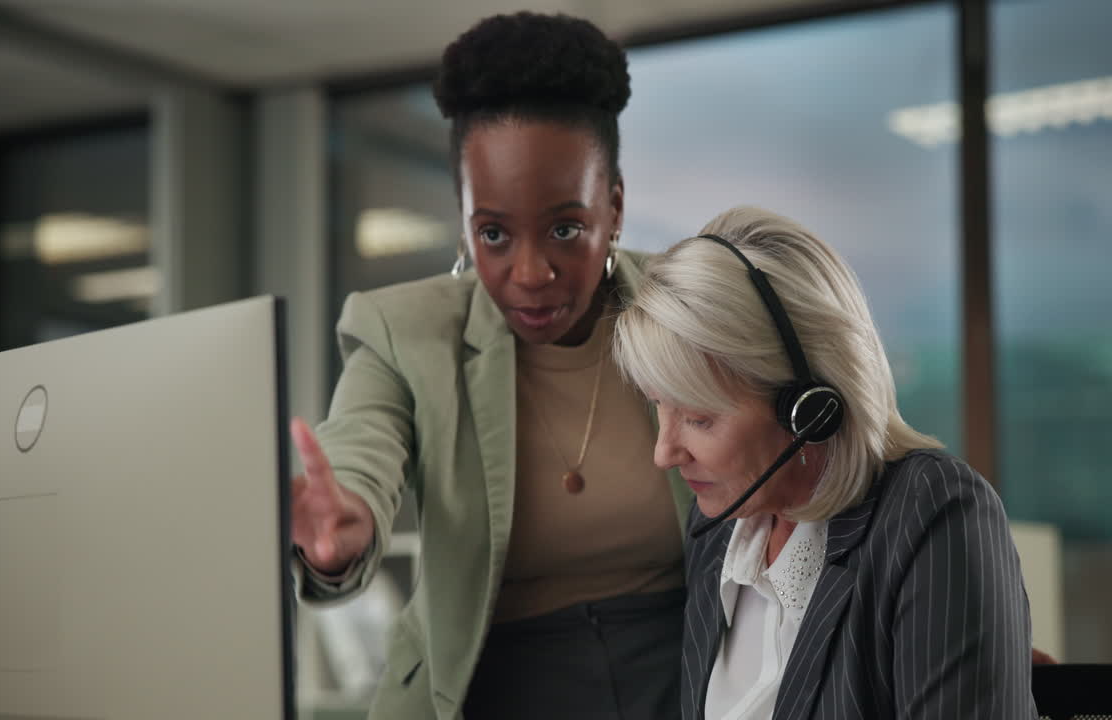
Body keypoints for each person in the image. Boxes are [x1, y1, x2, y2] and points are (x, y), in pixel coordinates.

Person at [288, 12, 693, 720]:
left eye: (566, 228)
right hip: (489, 687)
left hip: (686, 677)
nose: (529, 273)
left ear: (616, 207)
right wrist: (342, 527)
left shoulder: (691, 311)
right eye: (495, 234)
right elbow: (361, 448)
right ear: (464, 219)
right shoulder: (400, 333)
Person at [612, 206, 1038, 719]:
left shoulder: (933, 515)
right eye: (659, 405)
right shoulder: (716, 529)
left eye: (700, 418)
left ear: (809, 407)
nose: (665, 452)